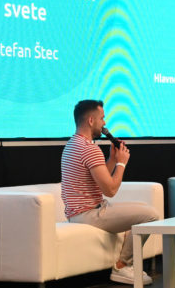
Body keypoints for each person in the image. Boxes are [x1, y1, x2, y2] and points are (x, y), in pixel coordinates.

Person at [61, 99, 159, 285]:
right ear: (91, 120)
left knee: (142, 207)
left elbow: (98, 182)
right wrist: (122, 163)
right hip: (89, 214)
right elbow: (111, 190)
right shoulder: (89, 149)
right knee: (151, 215)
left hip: (80, 213)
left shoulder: (72, 145)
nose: (104, 123)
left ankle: (125, 264)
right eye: (102, 118)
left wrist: (112, 159)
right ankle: (123, 266)